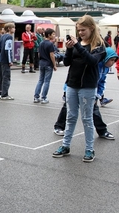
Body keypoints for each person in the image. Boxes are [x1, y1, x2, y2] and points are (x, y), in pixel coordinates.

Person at [52, 15, 106, 162]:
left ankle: (89, 150)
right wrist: (69, 49)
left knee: (87, 119)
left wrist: (77, 46)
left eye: (83, 30)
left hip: (88, 86)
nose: (80, 33)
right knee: (70, 117)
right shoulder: (78, 43)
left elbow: (92, 61)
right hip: (72, 85)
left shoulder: (100, 46)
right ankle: (65, 145)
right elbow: (67, 62)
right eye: (79, 30)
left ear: (92, 28)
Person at [54, 47, 117, 140]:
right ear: (105, 58)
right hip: (76, 87)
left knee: (94, 110)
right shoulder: (94, 64)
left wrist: (98, 95)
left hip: (91, 91)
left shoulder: (105, 69)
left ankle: (102, 131)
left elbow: (101, 82)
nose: (113, 63)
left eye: (114, 61)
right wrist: (67, 90)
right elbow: (74, 74)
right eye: (111, 60)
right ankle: (59, 127)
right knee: (67, 108)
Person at [33, 28, 57, 104]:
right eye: (53, 34)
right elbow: (52, 55)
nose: (54, 35)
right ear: (49, 35)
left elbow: (39, 54)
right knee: (47, 81)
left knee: (40, 80)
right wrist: (54, 65)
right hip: (48, 64)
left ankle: (36, 97)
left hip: (42, 63)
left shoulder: (41, 43)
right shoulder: (50, 44)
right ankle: (44, 98)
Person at [0, 22, 15, 100]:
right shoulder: (9, 37)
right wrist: (10, 60)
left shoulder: (2, 36)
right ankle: (5, 94)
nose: (14, 29)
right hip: (6, 60)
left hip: (1, 59)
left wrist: (1, 54)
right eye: (13, 27)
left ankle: (0, 92)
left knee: (1, 76)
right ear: (9, 29)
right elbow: (8, 49)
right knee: (6, 77)